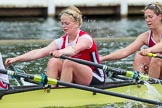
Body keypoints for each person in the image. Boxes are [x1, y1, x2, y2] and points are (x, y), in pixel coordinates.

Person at [5, 6, 105, 86]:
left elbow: (73, 50)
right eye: (62, 23)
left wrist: (61, 52)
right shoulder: (62, 40)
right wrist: (16, 58)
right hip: (77, 75)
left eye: (67, 23)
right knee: (53, 61)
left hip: (95, 76)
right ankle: (51, 88)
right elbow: (39, 52)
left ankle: (61, 92)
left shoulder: (85, 38)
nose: (64, 26)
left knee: (68, 62)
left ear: (77, 23)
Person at [100, 2, 162, 80]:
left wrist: (149, 50)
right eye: (146, 17)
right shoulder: (145, 36)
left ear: (160, 16)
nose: (147, 20)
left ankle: (153, 86)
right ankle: (139, 82)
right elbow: (125, 52)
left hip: (158, 63)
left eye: (150, 17)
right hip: (157, 70)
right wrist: (102, 58)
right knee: (139, 55)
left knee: (156, 58)